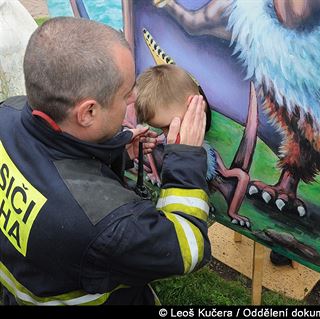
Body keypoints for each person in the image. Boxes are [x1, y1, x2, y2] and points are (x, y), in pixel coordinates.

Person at [0, 17, 210, 305]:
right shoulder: (108, 225)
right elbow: (188, 248)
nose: (134, 100)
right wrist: (184, 161)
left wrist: (113, 152)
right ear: (87, 113)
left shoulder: (6, 113)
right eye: (126, 94)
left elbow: (53, 167)